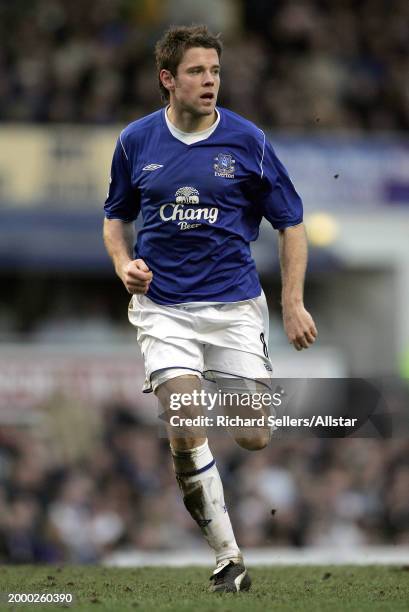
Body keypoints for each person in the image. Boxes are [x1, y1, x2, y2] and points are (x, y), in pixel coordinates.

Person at [103, 24, 317, 592]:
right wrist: (124, 264)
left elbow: (291, 223)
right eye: (197, 71)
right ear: (167, 79)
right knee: (184, 417)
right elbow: (115, 219)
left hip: (233, 305)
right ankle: (229, 558)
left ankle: (231, 383)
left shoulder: (247, 141)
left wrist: (292, 303)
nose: (210, 81)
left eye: (215, 71)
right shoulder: (135, 141)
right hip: (163, 307)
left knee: (253, 434)